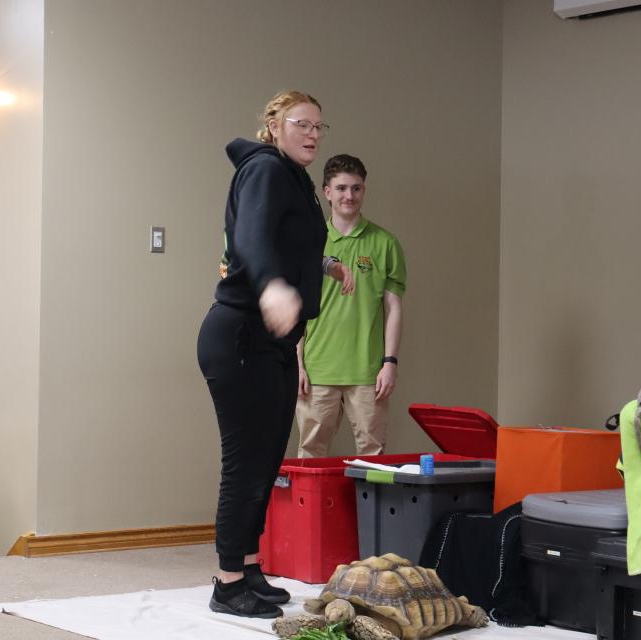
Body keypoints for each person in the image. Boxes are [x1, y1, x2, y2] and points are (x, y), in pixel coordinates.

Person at [196, 90, 353, 618]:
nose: (311, 133)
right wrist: (270, 288)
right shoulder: (265, 169)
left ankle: (247, 564)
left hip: (275, 341)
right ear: (274, 125)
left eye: (318, 126)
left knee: (267, 458)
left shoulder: (295, 179)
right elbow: (251, 237)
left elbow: (293, 240)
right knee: (244, 461)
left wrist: (325, 265)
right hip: (241, 332)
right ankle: (227, 581)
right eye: (301, 123)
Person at [295, 154, 407, 457]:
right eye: (342, 188)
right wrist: (298, 363)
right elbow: (298, 308)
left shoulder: (385, 243)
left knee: (373, 458)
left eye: (356, 188)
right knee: (310, 455)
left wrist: (389, 363)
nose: (349, 196)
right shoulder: (310, 242)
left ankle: (367, 508)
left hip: (368, 372)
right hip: (317, 370)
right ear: (327, 192)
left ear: (364, 190)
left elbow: (393, 309)